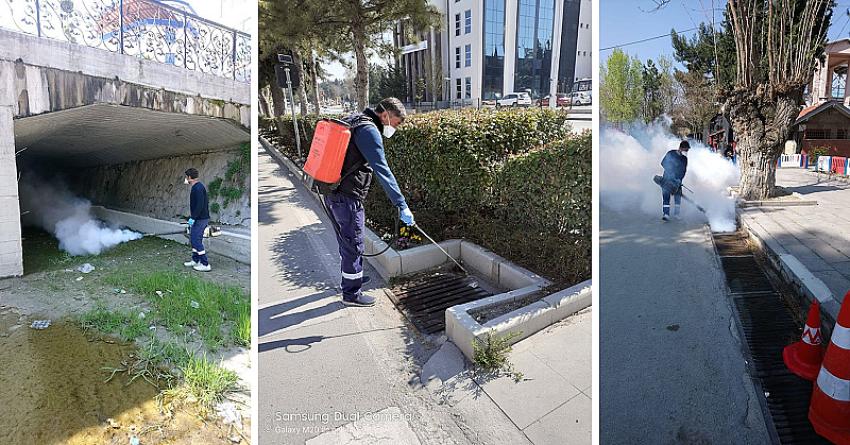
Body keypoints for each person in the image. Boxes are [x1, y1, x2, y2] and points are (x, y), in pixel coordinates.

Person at [321, 97, 414, 307]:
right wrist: (401, 204)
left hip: (333, 192)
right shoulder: (369, 131)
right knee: (354, 242)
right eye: (396, 123)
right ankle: (352, 294)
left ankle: (353, 276)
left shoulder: (355, 120)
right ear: (386, 115)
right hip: (347, 197)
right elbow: (382, 170)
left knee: (346, 241)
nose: (395, 128)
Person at [183, 168, 211, 272]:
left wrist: (193, 218)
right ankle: (195, 260)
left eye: (186, 177)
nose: (185, 179)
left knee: (196, 240)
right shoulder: (197, 187)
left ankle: (205, 263)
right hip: (198, 218)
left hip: (200, 219)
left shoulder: (198, 188)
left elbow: (199, 205)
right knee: (194, 239)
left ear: (189, 177)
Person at [660, 140, 689, 221]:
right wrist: (670, 173)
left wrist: (679, 180)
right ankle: (666, 214)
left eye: (687, 151)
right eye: (685, 150)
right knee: (666, 196)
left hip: (677, 181)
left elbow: (684, 171)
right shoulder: (670, 154)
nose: (686, 152)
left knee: (678, 197)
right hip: (667, 179)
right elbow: (663, 163)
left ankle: (676, 214)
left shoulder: (684, 159)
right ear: (680, 148)